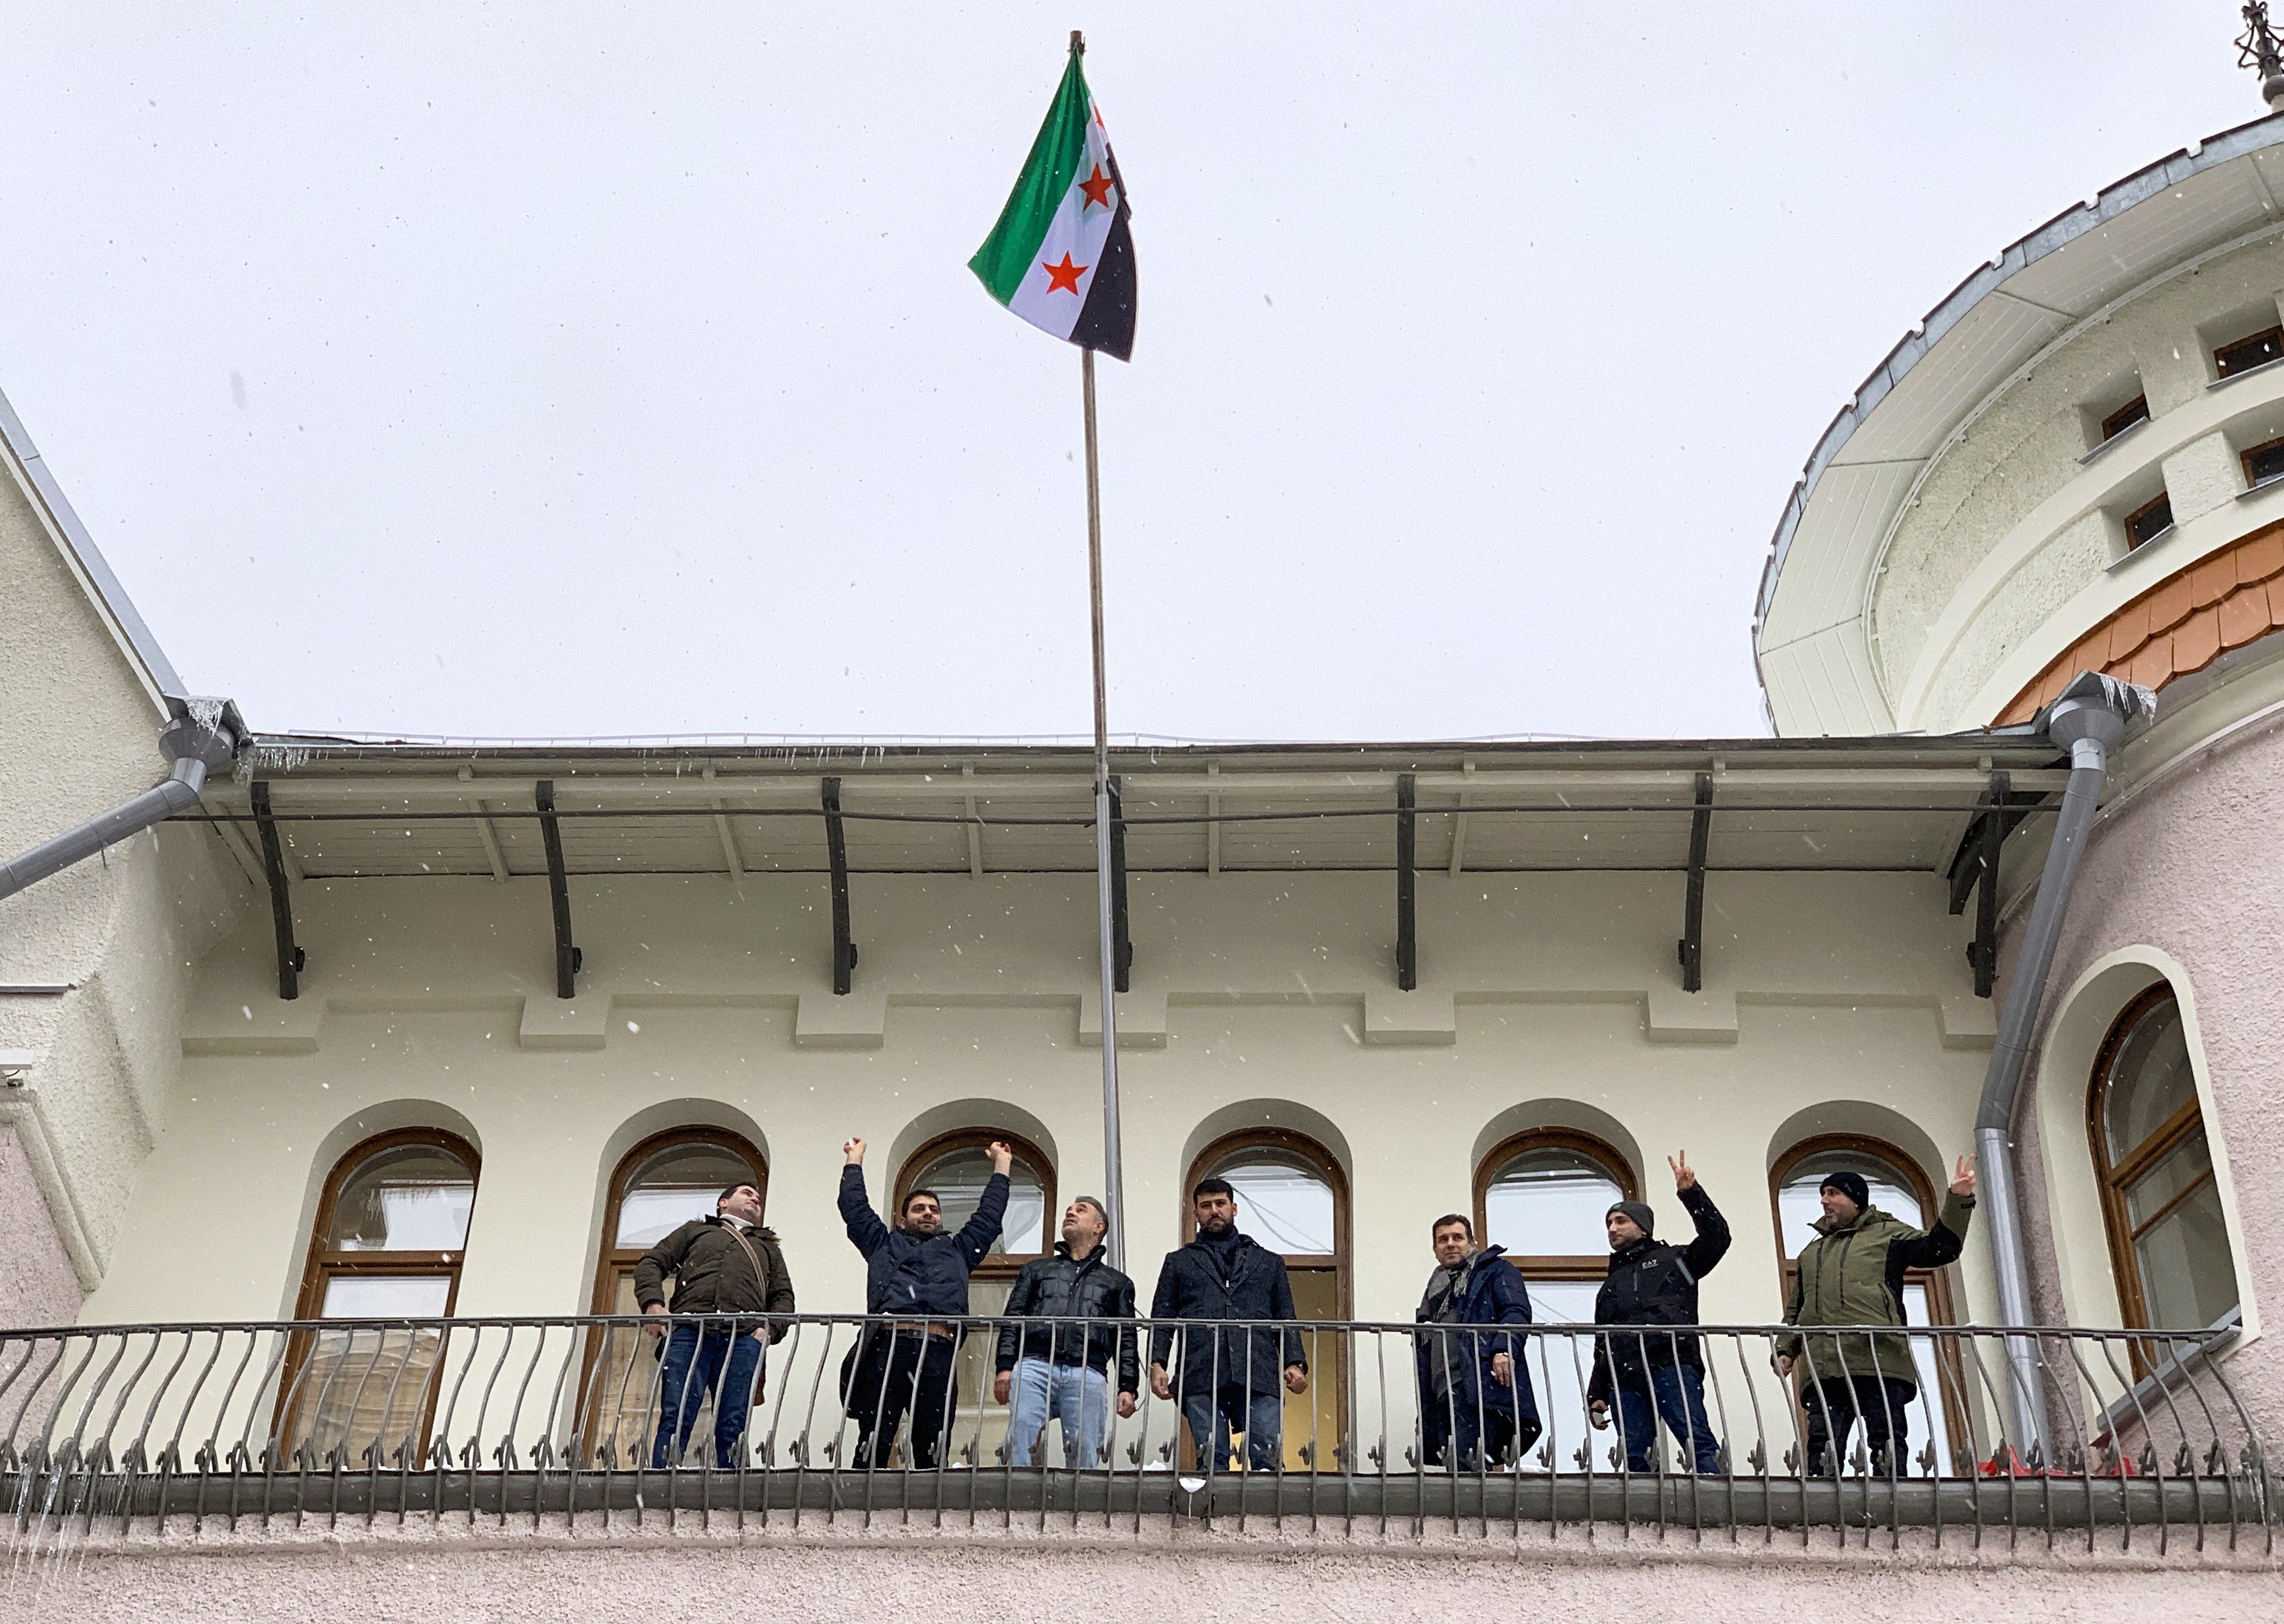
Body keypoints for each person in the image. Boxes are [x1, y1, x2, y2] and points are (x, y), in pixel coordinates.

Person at [1775, 1156, 1977, 1477]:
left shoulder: (1888, 1234)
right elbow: (1797, 1311)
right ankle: (1819, 1515)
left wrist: (1959, 1199)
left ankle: (1892, 1510)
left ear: (1855, 1200)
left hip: (1878, 1359)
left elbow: (1941, 1249)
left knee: (1887, 1443)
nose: (1824, 1200)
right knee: (1822, 1448)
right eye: (1822, 1194)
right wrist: (1786, 1349)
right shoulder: (1811, 1253)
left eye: (1832, 1193)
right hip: (1826, 1366)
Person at [838, 1135, 1011, 1469]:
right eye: (919, 1209)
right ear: (903, 1220)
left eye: (934, 1210)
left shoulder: (959, 1250)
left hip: (938, 1350)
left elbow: (989, 1217)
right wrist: (854, 1159)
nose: (928, 1214)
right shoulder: (882, 1245)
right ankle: (859, 1510)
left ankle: (930, 1514)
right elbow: (854, 1208)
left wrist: (1002, 1165)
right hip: (887, 1348)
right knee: (874, 1438)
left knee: (932, 1443)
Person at [1147, 1177, 1308, 1472]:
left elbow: (1285, 1315)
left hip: (1257, 1366)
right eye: (1206, 1206)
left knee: (1267, 1459)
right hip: (1201, 1367)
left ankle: (1268, 1516)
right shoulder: (1179, 1262)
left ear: (1234, 1208)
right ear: (1196, 1214)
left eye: (1220, 1204)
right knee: (1211, 1459)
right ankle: (1212, 1515)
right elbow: (1163, 1316)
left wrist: (1295, 1362)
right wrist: (1158, 1364)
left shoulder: (1268, 1262)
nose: (1214, 1211)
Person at [633, 1179, 795, 1469]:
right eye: (747, 1193)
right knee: (677, 1412)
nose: (755, 1199)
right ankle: (659, 1481)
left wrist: (769, 1331)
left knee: (734, 1420)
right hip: (689, 1331)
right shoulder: (697, 1231)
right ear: (723, 1203)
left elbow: (783, 1297)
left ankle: (731, 1490)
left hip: (743, 1338)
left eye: (758, 1197)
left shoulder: (767, 1247)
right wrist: (653, 1304)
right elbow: (651, 1263)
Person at [1585, 1152, 1731, 1474]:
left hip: (1672, 1362)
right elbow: (1602, 1342)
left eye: (1620, 1221)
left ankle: (1719, 1505)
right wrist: (1597, 1392)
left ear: (1643, 1227)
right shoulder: (1611, 1284)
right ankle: (1645, 1521)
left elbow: (1717, 1238)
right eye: (1609, 1223)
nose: (1612, 1228)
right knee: (1637, 1456)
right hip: (1624, 1375)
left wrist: (1691, 1193)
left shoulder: (1675, 1260)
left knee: (1697, 1440)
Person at [991, 1197, 1140, 1468]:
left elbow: (1125, 1336)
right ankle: (1010, 1504)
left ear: (1099, 1227)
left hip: (1088, 1370)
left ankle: (1080, 1508)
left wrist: (1128, 1387)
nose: (1070, 1212)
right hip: (1035, 1364)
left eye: (1080, 1211)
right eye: (1069, 1210)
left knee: (1084, 1450)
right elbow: (1013, 1319)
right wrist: (1004, 1367)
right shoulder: (1037, 1270)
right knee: (1019, 1439)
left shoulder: (1116, 1282)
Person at [1414, 1213, 1540, 1471]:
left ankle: (1469, 1511)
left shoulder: (1495, 1271)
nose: (1450, 1244)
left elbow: (1515, 1311)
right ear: (1435, 1250)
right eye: (1443, 1240)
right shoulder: (1435, 1290)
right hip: (1443, 1390)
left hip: (1477, 1383)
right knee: (1457, 1464)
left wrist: (1504, 1348)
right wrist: (1424, 1409)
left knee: (1469, 1461)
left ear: (1472, 1242)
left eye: (1457, 1237)